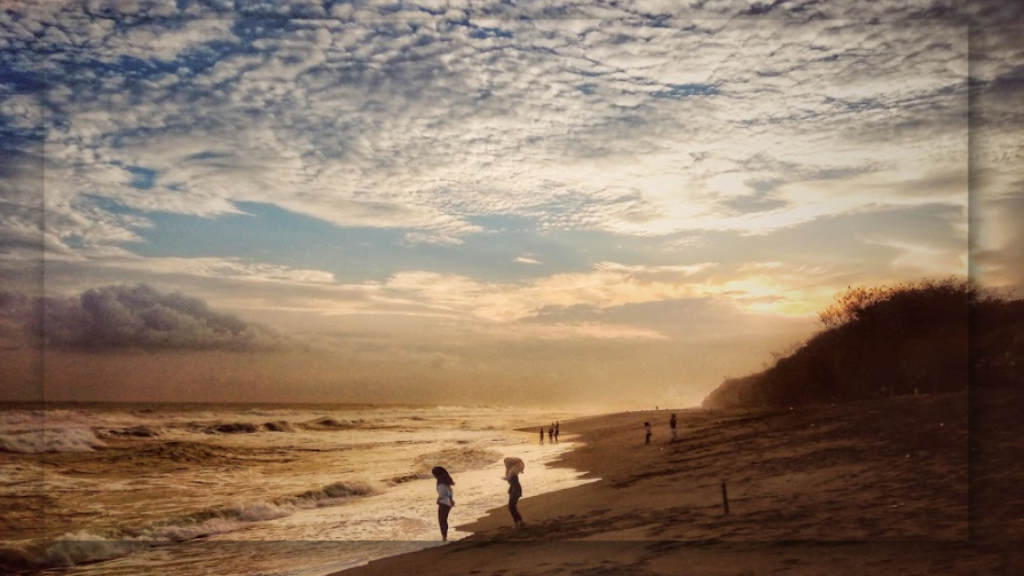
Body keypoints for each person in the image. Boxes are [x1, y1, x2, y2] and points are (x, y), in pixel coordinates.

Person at [431, 466, 455, 541]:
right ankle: (444, 537)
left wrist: (438, 500)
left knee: (442, 520)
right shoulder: (445, 481)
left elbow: (443, 494)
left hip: (444, 503)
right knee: (444, 520)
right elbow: (450, 491)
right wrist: (451, 500)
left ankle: (444, 537)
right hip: (448, 503)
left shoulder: (440, 482)